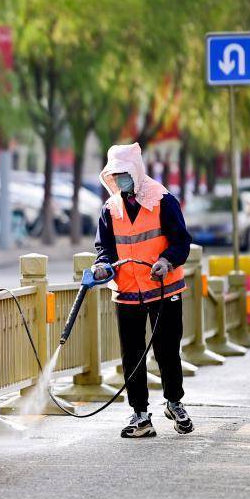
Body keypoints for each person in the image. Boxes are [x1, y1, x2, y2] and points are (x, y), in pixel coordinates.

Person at [92, 143, 194, 438]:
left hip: (164, 289)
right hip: (126, 291)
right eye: (115, 175)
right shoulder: (110, 209)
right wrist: (102, 266)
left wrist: (166, 260)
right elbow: (105, 248)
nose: (120, 181)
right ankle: (140, 415)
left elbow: (181, 241)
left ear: (136, 172)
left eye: (124, 174)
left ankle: (175, 402)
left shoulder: (163, 201)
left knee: (167, 351)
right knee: (132, 355)